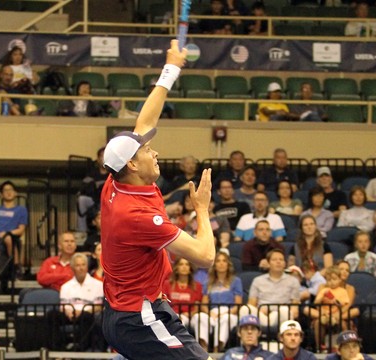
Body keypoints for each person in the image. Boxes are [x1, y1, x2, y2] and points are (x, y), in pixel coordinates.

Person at [100, 39, 216, 359]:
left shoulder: (115, 179)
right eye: (148, 151)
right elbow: (205, 255)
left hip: (126, 310)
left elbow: (146, 122)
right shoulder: (135, 215)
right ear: (134, 164)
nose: (155, 152)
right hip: (138, 319)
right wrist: (202, 211)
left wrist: (171, 69)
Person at [240, 249, 300, 330]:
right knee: (245, 309)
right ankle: (247, 340)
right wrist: (261, 311)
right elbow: (252, 304)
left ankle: (284, 338)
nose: (278, 262)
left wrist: (270, 309)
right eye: (274, 260)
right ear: (268, 263)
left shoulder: (293, 281)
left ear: (285, 264)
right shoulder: (258, 280)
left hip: (281, 315)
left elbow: (295, 310)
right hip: (261, 315)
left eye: (281, 260)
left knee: (284, 310)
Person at [59, 252, 105, 352]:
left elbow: (98, 306)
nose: (81, 268)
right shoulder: (65, 286)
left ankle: (80, 349)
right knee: (51, 315)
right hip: (70, 314)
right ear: (72, 268)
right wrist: (69, 312)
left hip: (88, 314)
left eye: (83, 265)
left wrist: (84, 311)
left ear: (87, 266)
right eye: (78, 265)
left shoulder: (98, 285)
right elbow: (63, 306)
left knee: (86, 316)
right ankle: (57, 350)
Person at [202, 251, 242, 351]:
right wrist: (209, 313)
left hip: (229, 312)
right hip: (213, 312)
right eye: (218, 261)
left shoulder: (236, 281)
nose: (221, 263)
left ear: (228, 264)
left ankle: (217, 349)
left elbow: (238, 304)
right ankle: (204, 349)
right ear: (214, 265)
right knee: (200, 317)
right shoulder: (208, 282)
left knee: (225, 319)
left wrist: (225, 313)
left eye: (224, 261)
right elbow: (203, 304)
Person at [163, 258, 207, 348]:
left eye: (187, 264)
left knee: (202, 317)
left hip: (191, 315)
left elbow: (198, 305)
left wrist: (190, 314)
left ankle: (203, 346)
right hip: (174, 315)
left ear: (190, 268)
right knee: (179, 319)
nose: (184, 267)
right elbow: (164, 303)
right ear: (176, 268)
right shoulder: (167, 284)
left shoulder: (197, 286)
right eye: (181, 264)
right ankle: (181, 348)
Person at [0, 181, 28, 269]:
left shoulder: (21, 209)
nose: (8, 192)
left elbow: (21, 229)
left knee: (8, 238)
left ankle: (15, 266)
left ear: (15, 193)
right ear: (1, 195)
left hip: (11, 236)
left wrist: (6, 233)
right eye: (5, 190)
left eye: (11, 190)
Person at [311, 266, 351, 349]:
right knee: (318, 323)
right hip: (324, 315)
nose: (331, 282)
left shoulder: (343, 291)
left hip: (336, 315)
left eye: (334, 279)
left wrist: (336, 303)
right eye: (328, 280)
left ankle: (346, 345)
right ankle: (319, 347)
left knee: (343, 324)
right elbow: (316, 303)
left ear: (340, 279)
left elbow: (345, 304)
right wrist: (322, 297)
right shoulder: (324, 290)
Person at [76, 147, 109, 232]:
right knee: (82, 200)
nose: (104, 158)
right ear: (98, 159)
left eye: (106, 155)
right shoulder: (92, 173)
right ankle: (82, 231)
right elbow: (84, 187)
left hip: (109, 201)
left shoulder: (114, 173)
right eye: (102, 156)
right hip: (94, 200)